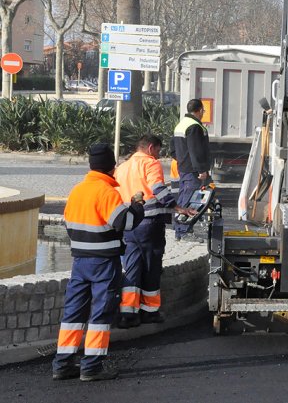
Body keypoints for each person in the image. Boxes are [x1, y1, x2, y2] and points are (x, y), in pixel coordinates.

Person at [52, 143, 145, 382]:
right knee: (100, 314)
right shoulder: (106, 192)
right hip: (104, 263)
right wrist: (136, 207)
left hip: (80, 261)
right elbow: (124, 223)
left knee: (73, 313)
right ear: (111, 167)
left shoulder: (77, 191)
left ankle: (62, 364)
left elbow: (69, 225)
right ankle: (91, 367)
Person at [114, 134, 196, 328]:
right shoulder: (150, 164)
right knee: (151, 267)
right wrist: (178, 207)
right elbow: (158, 188)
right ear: (151, 148)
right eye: (158, 151)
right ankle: (149, 312)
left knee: (131, 268)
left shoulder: (122, 167)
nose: (158, 156)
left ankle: (128, 314)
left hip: (128, 226)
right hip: (149, 224)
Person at [172, 99, 211, 241]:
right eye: (203, 111)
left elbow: (172, 150)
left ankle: (179, 230)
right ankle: (184, 232)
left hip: (184, 168)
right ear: (200, 110)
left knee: (183, 198)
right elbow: (196, 151)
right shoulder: (194, 126)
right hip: (193, 171)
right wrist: (201, 169)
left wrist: (182, 160)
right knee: (189, 200)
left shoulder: (181, 125)